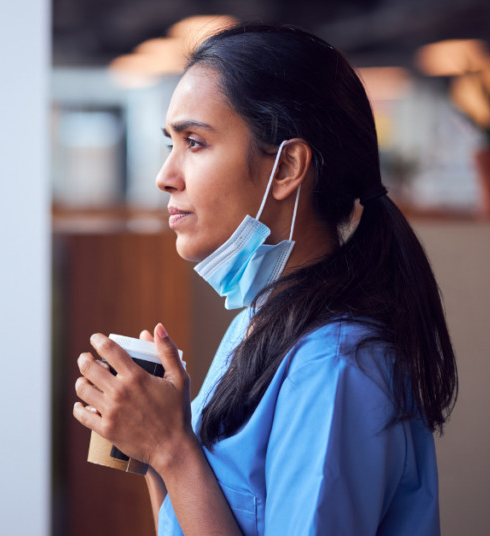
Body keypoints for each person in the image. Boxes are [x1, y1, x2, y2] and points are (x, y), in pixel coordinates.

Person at [72, 24, 457, 536]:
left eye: (194, 142)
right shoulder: (262, 320)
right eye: (171, 143)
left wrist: (173, 448)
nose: (166, 174)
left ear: (286, 169)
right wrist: (157, 447)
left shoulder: (336, 367)